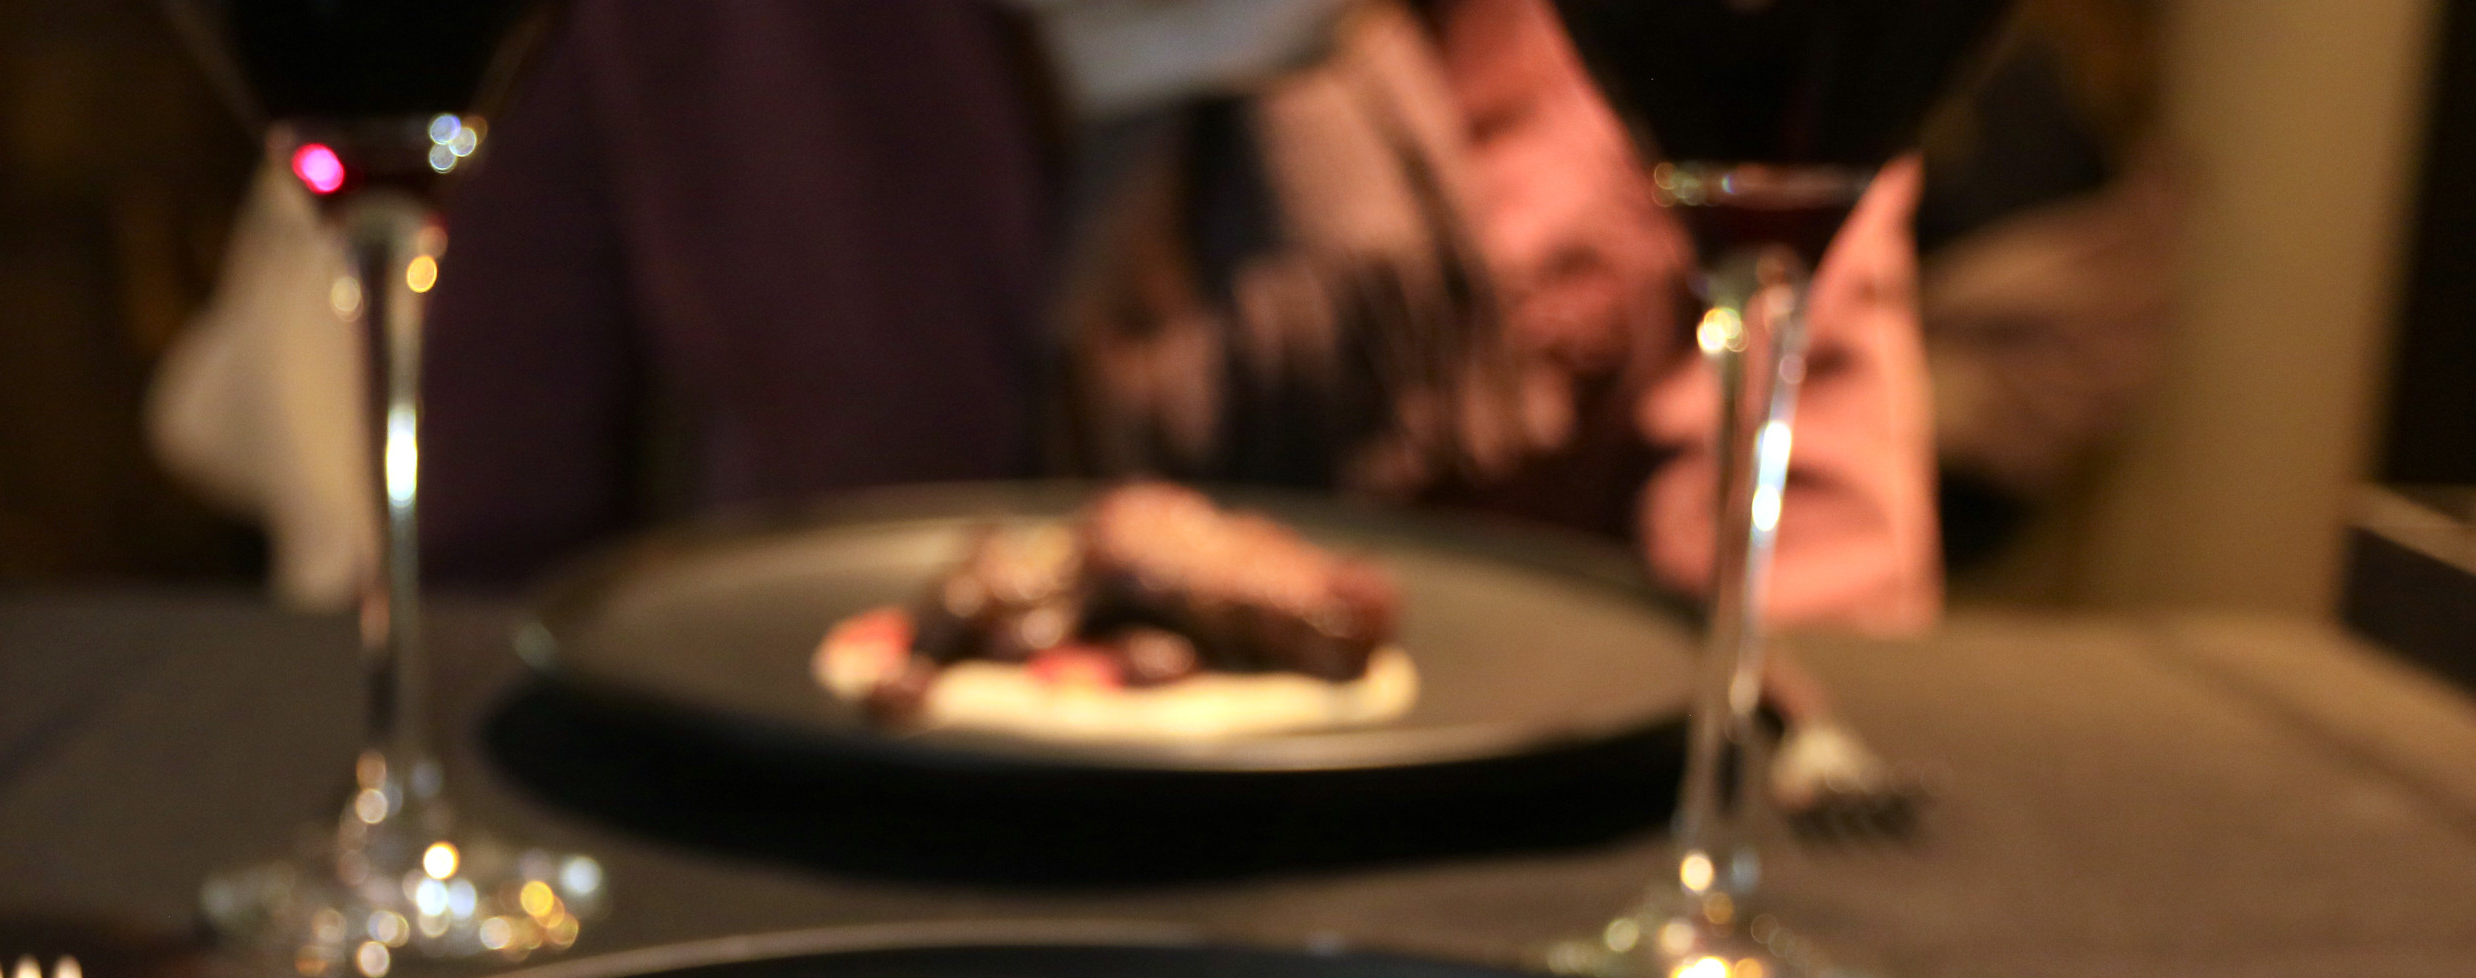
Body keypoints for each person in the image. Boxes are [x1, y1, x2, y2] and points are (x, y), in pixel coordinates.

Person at [156, 0, 1943, 634]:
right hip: (840, 860)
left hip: (1496, 925)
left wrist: (1771, 745)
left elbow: (1813, 501)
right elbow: (496, 560)